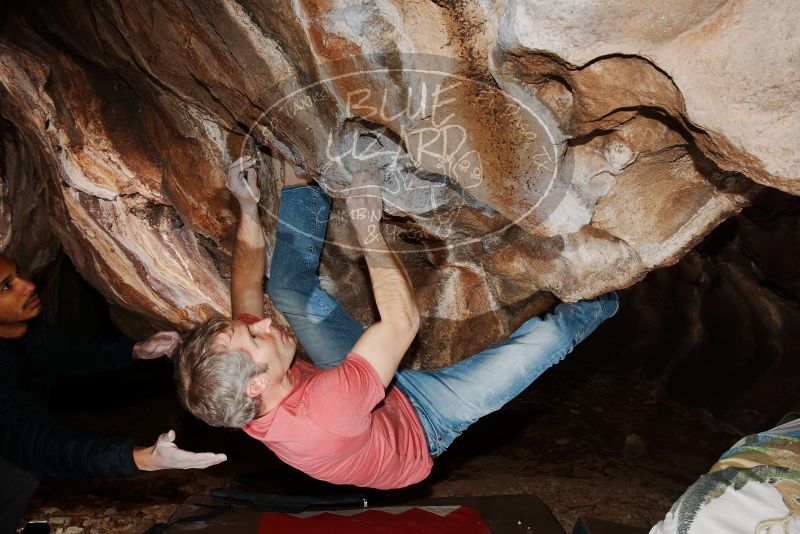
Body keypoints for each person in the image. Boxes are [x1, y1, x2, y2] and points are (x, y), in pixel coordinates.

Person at [175, 156, 618, 489]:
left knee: (287, 290)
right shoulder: (323, 415)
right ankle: (610, 298)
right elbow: (401, 324)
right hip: (426, 423)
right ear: (257, 385)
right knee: (550, 335)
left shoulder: (240, 387)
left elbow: (246, 291)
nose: (264, 325)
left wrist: (248, 208)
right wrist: (368, 225)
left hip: (353, 390)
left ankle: (300, 179)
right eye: (256, 337)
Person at [0, 255, 227, 534]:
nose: (28, 285)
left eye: (18, 273)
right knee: (23, 467)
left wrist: (134, 350)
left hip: (13, 446)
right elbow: (42, 444)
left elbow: (62, 352)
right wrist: (141, 458)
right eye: (6, 287)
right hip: (13, 443)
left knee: (21, 475)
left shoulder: (24, 328)